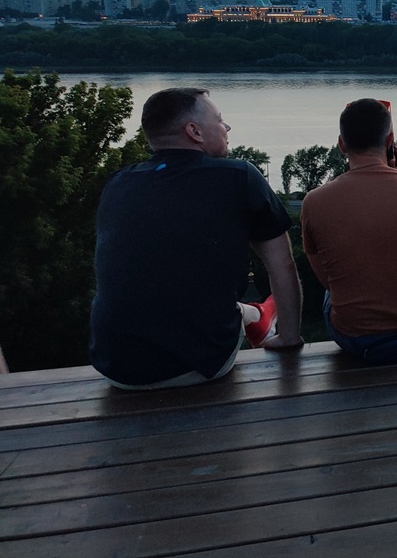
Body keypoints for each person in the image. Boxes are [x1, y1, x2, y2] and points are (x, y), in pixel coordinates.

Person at [91, 88, 303, 389]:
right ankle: (257, 315)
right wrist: (290, 337)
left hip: (115, 368)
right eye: (219, 120)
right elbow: (282, 264)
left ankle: (254, 314)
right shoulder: (239, 176)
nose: (226, 127)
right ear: (194, 131)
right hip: (198, 365)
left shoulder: (118, 183)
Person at [301, 98, 397, 363]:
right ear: (390, 139)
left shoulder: (314, 201)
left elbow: (328, 281)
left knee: (338, 284)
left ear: (342, 145)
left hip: (356, 338)